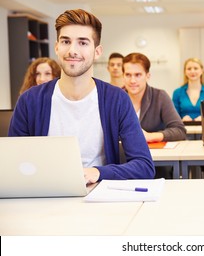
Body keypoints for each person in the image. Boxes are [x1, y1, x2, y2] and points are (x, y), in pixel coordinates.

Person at [8, 9, 155, 184]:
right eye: (65, 41)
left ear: (97, 51)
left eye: (83, 43)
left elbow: (144, 166)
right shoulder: (30, 100)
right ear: (57, 47)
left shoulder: (117, 99)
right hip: (45, 193)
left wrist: (97, 172)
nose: (72, 50)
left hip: (99, 194)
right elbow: (12, 165)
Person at [123, 52, 187, 178]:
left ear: (148, 76)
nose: (132, 80)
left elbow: (179, 130)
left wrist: (150, 136)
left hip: (156, 164)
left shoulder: (160, 96)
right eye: (128, 75)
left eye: (138, 75)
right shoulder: (115, 98)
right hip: (123, 163)